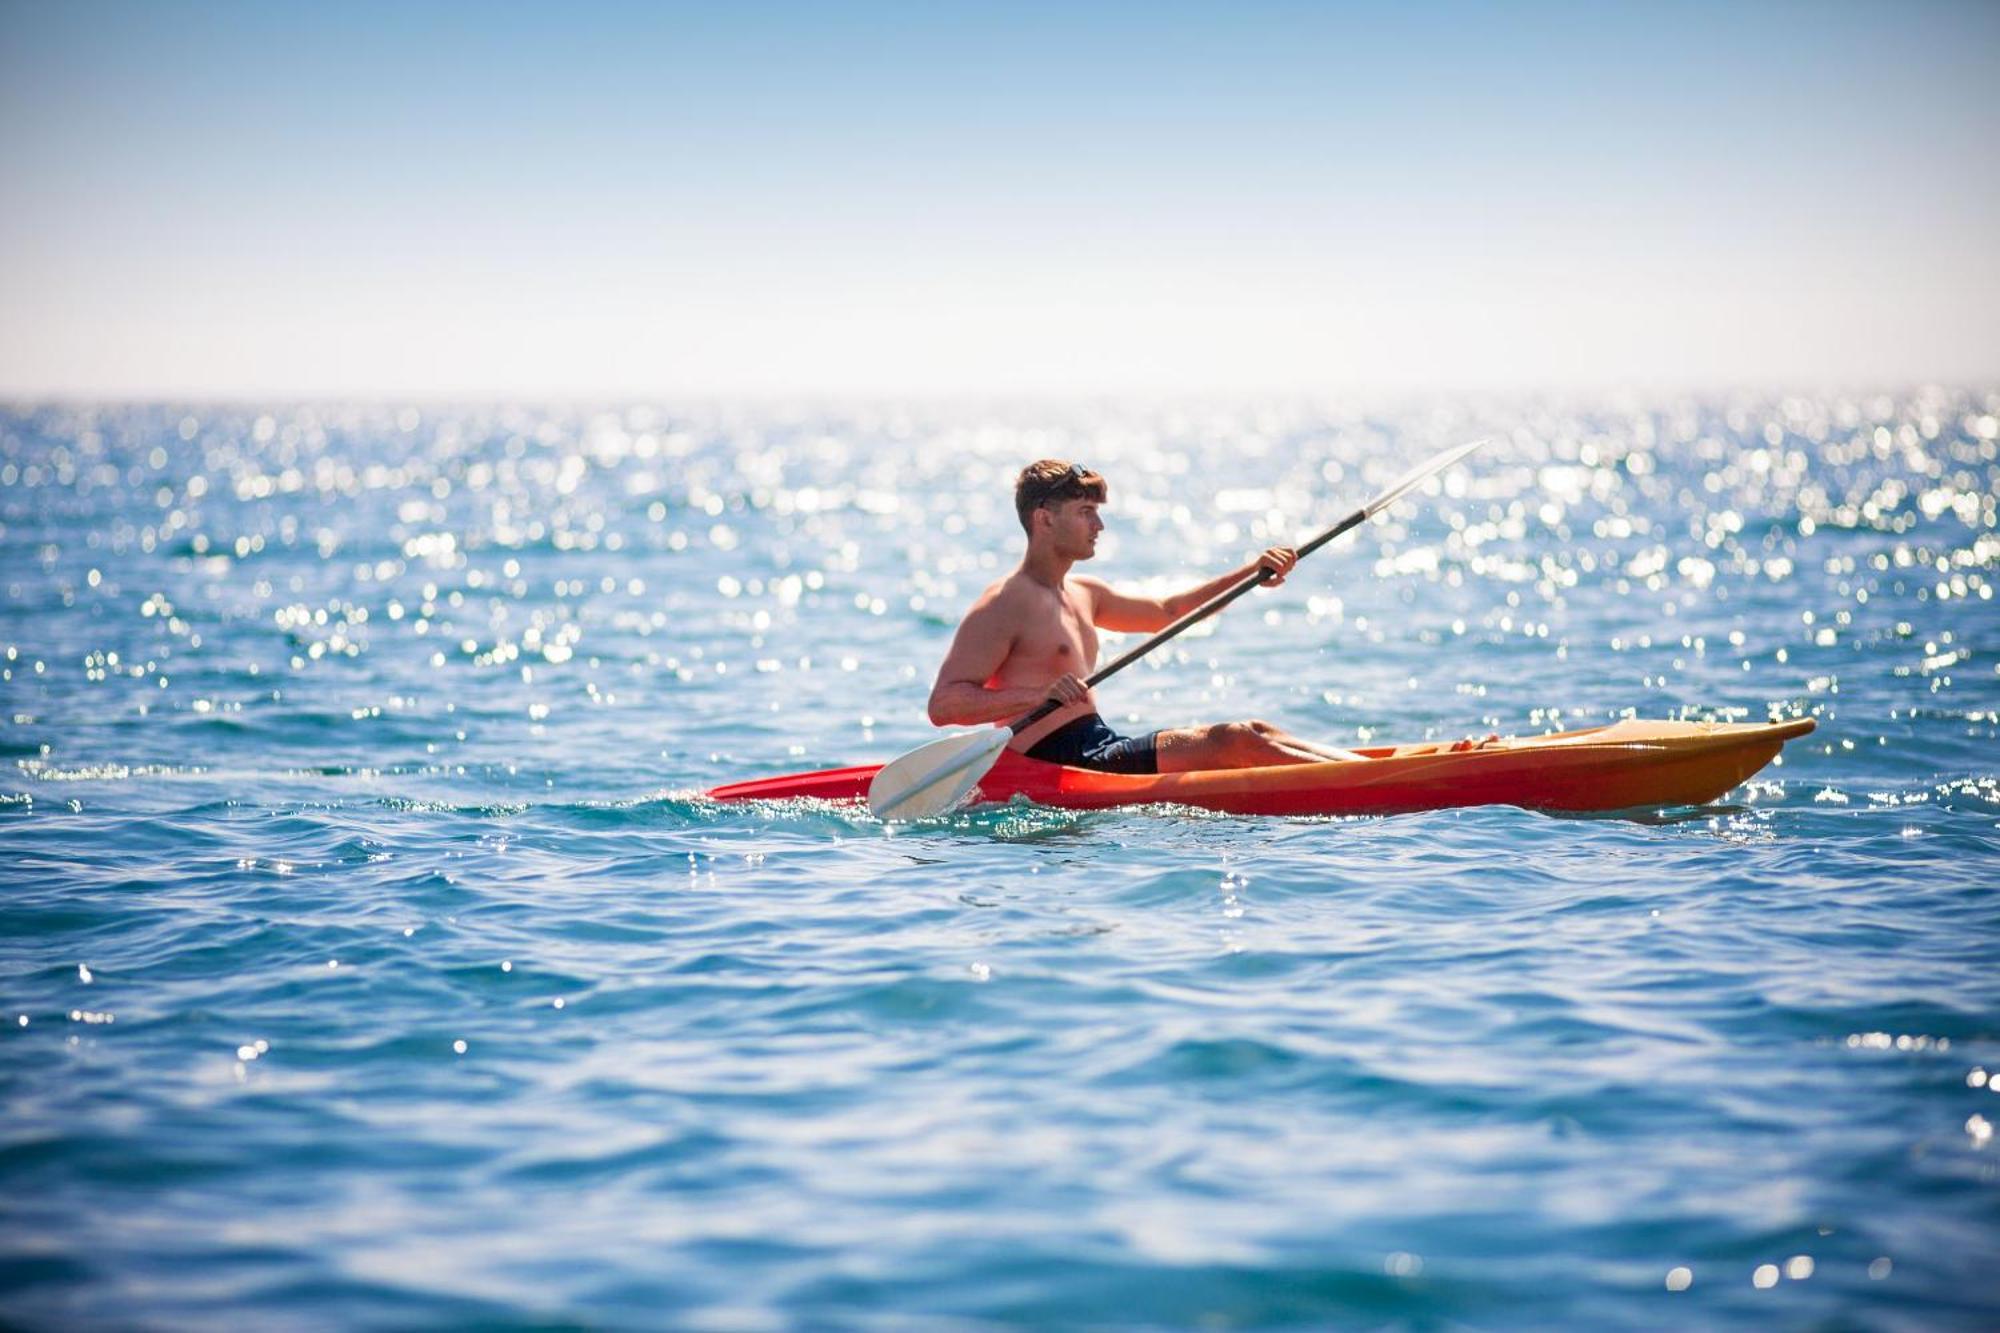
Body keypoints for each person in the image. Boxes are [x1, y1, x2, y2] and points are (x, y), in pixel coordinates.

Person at [926, 459, 1372, 774]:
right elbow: (944, 705)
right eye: (1086, 513)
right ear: (1044, 519)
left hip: (1098, 744)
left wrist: (1253, 574)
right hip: (1058, 760)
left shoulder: (1084, 592)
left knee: (1256, 731)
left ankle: (1381, 769)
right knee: (1233, 740)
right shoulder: (1004, 604)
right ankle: (1374, 783)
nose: (1098, 527)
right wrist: (1039, 695)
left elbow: (1170, 612)